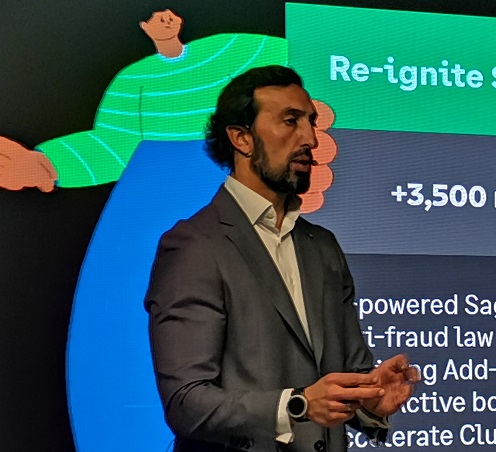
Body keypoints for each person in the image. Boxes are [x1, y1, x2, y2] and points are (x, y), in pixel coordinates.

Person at [145, 65, 418, 452]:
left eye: (311, 122)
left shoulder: (322, 246)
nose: (310, 138)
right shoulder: (194, 246)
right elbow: (186, 404)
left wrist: (371, 400)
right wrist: (299, 405)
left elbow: (346, 379)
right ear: (242, 138)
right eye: (291, 121)